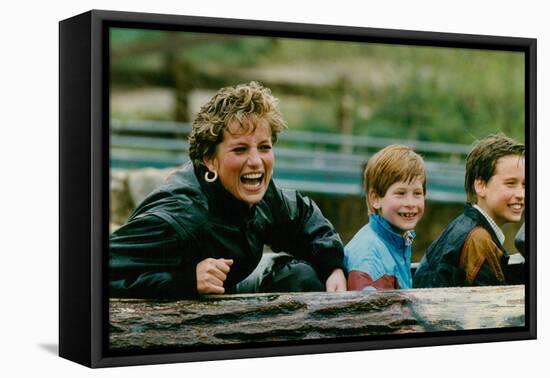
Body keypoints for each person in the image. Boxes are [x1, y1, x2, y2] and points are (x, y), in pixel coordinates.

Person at [109, 81, 347, 298]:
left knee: (301, 277)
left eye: (264, 147)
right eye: (240, 149)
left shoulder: (261, 194)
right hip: (175, 315)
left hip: (234, 285)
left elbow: (303, 218)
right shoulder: (180, 217)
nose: (256, 161)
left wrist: (333, 267)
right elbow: (98, 268)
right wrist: (185, 281)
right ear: (210, 159)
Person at [413, 134, 525, 288]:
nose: (521, 194)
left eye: (525, 185)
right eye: (510, 184)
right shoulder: (477, 239)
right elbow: (491, 306)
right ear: (480, 185)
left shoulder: (466, 225)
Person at [345, 145, 426, 291]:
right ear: (375, 198)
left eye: (417, 193)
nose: (411, 203)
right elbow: (373, 313)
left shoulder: (396, 241)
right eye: (400, 193)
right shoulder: (369, 260)